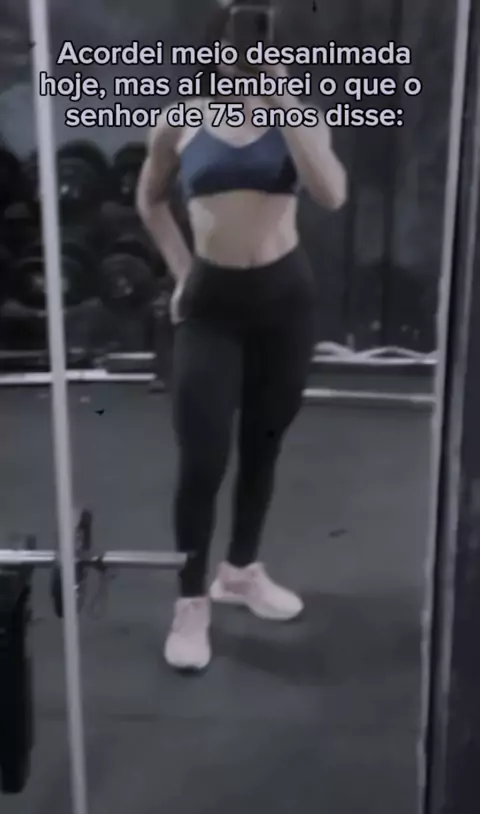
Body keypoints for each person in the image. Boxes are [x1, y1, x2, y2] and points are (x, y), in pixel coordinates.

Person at [136, 1, 347, 672]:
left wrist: (283, 101)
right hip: (211, 307)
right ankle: (190, 600)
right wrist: (181, 272)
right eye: (236, 37)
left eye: (260, 38)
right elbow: (149, 199)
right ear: (216, 45)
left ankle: (240, 571)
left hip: (285, 302)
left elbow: (331, 193)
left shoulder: (299, 117)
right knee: (202, 458)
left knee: (263, 443)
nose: (247, 50)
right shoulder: (180, 118)